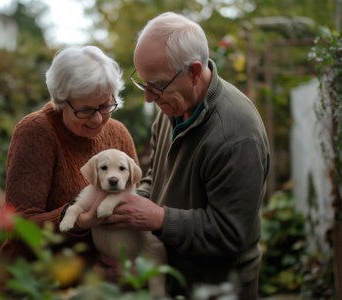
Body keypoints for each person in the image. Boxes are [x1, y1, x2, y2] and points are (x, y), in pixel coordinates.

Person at [105, 12, 270, 299]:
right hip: (169, 275)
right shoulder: (172, 104)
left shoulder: (236, 135)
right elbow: (158, 173)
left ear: (194, 71)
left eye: (156, 86)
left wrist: (158, 218)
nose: (148, 98)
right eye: (143, 84)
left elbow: (231, 235)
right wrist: (134, 204)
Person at [0, 46, 139, 271]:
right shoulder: (36, 132)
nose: (97, 119)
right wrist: (80, 221)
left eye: (105, 106)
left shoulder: (118, 134)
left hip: (100, 275)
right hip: (37, 276)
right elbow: (18, 230)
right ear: (61, 101)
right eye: (85, 110)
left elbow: (133, 201)